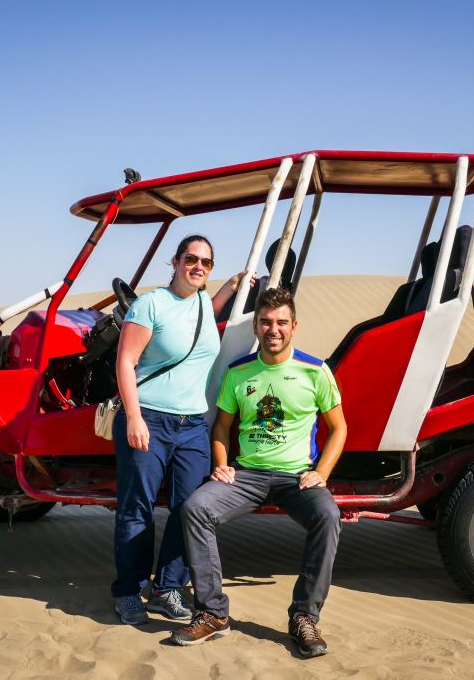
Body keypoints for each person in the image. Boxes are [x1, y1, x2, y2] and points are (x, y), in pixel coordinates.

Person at [171, 287, 347, 658]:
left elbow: (339, 428)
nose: (274, 329)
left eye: (281, 322)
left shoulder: (315, 371)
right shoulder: (239, 372)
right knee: (195, 509)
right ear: (256, 325)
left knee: (328, 515)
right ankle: (213, 612)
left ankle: (304, 617)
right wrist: (221, 464)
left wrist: (322, 473)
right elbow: (220, 428)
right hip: (247, 475)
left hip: (296, 477)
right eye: (266, 322)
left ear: (294, 326)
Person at [112, 234, 253, 625]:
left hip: (193, 426)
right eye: (191, 259)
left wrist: (234, 285)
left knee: (188, 509)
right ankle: (128, 591)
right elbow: (125, 362)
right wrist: (135, 417)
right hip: (150, 418)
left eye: (206, 262)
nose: (198, 267)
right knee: (136, 509)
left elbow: (209, 307)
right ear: (174, 261)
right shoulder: (151, 305)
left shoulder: (205, 304)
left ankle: (167, 589)